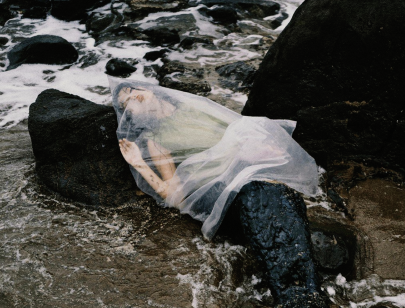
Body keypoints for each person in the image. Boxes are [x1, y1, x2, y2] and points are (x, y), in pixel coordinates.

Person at [110, 76, 319, 239]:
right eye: (127, 103)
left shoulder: (190, 104)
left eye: (132, 90)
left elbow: (237, 128)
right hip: (221, 184)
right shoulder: (155, 140)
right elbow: (176, 196)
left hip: (250, 162)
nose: (134, 96)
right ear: (132, 117)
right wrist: (139, 163)